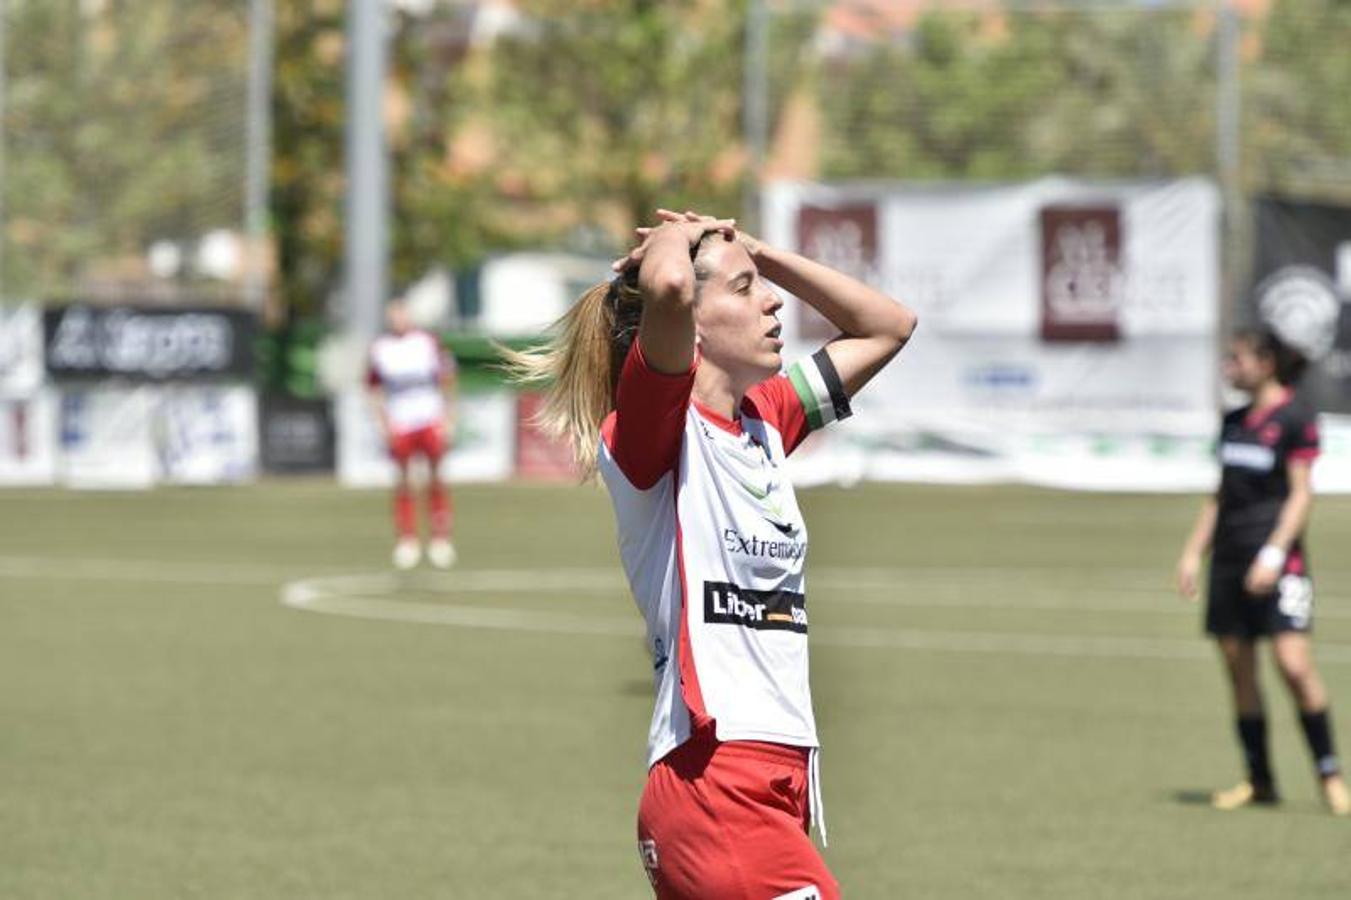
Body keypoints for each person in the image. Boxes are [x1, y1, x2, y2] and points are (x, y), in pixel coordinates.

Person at [508, 208, 917, 898]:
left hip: (770, 782)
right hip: (713, 781)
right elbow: (666, 285)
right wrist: (669, 240)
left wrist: (755, 249)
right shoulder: (654, 430)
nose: (771, 301)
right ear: (691, 322)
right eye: (743, 288)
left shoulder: (766, 420)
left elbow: (888, 325)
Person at [1176, 328, 1349, 815]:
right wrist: (1193, 552)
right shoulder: (1232, 421)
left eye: (1238, 358)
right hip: (1229, 563)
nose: (1230, 367)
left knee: (1294, 666)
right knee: (1239, 672)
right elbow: (1221, 494)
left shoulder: (1295, 418)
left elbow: (1301, 493)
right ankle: (1259, 779)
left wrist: (1274, 553)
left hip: (1279, 563)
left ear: (1266, 363)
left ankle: (1330, 775)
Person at [367, 298, 458, 570]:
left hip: (429, 417)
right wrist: (382, 423)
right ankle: (407, 539)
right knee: (404, 480)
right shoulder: (380, 348)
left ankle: (440, 537)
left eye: (401, 314)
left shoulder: (427, 342)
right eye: (393, 315)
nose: (398, 319)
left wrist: (449, 417)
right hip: (400, 421)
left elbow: (447, 379)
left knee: (436, 476)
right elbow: (373, 389)